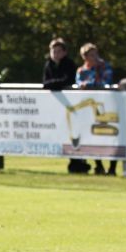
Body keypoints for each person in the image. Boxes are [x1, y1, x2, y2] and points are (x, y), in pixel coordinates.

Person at [42, 38, 86, 174]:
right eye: (53, 51)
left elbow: (67, 80)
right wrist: (53, 84)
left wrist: (52, 84)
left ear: (64, 52)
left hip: (71, 106)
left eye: (58, 51)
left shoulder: (69, 64)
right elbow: (45, 82)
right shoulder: (48, 65)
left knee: (74, 132)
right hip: (56, 106)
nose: (55, 54)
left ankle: (78, 162)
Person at [75, 43, 117, 176]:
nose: (95, 57)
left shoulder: (104, 67)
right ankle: (99, 166)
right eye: (91, 55)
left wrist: (89, 84)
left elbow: (106, 81)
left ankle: (112, 168)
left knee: (111, 137)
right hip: (89, 109)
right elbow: (78, 84)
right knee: (92, 137)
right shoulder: (81, 71)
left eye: (96, 54)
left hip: (106, 106)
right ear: (85, 57)